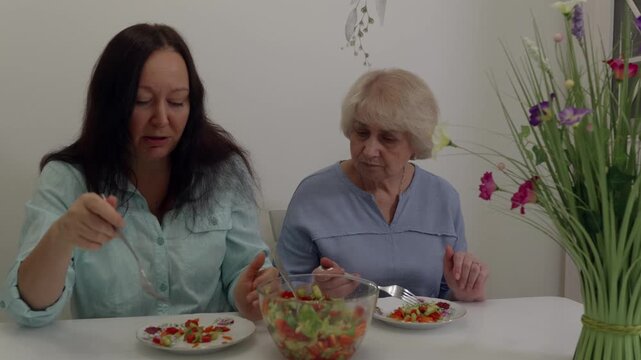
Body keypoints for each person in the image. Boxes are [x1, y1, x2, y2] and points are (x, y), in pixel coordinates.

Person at [1, 23, 277, 327]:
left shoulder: (222, 171)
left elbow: (244, 270)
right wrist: (61, 235)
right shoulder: (67, 178)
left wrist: (251, 293)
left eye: (176, 102)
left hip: (209, 347)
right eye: (141, 101)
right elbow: (29, 309)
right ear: (111, 104)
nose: (161, 119)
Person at [277, 68, 489, 302]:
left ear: (415, 144)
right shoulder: (312, 195)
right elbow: (284, 291)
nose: (369, 150)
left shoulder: (442, 198)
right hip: (341, 334)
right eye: (361, 133)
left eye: (388, 138)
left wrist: (465, 291)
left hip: (424, 336)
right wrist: (318, 291)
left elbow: (445, 298)